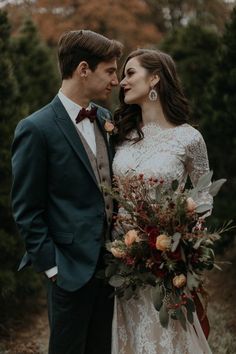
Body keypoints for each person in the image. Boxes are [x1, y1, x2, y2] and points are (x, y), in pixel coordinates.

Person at [11, 29, 123, 354]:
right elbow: (26, 209)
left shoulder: (104, 118)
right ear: (84, 69)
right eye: (110, 71)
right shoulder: (36, 128)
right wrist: (53, 267)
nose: (115, 81)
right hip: (68, 269)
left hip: (110, 267)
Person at [111, 48, 213, 353]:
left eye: (130, 73)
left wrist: (186, 235)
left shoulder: (188, 138)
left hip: (166, 263)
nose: (122, 82)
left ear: (155, 78)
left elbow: (204, 194)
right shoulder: (121, 136)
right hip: (122, 261)